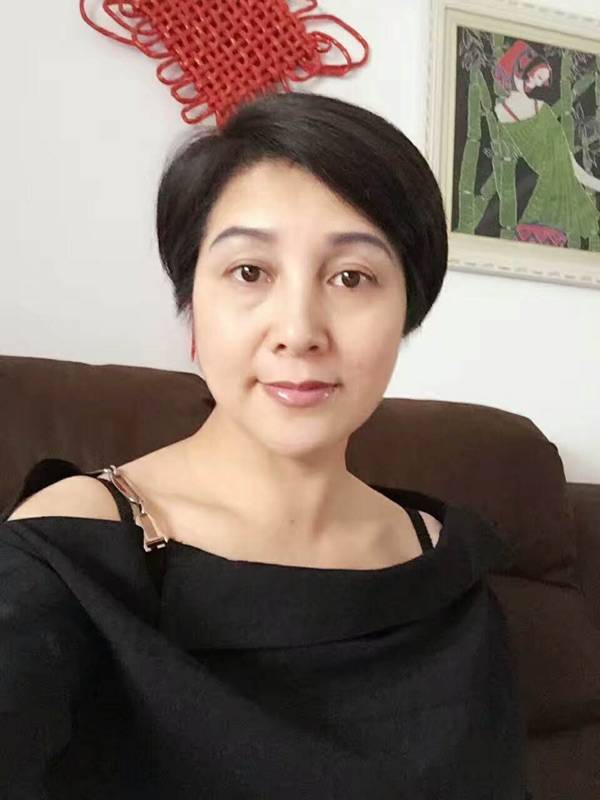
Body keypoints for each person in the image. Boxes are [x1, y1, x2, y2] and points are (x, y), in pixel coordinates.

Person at [1, 91, 530, 798]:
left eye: (352, 277)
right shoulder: (69, 549)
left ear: (408, 310)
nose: (299, 330)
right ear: (193, 307)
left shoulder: (442, 565)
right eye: (250, 272)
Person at [494, 39, 600, 248]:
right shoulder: (500, 112)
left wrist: (596, 184)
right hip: (544, 188)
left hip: (554, 190)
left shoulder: (542, 109)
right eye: (538, 77)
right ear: (523, 69)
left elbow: (568, 163)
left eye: (542, 81)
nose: (537, 84)